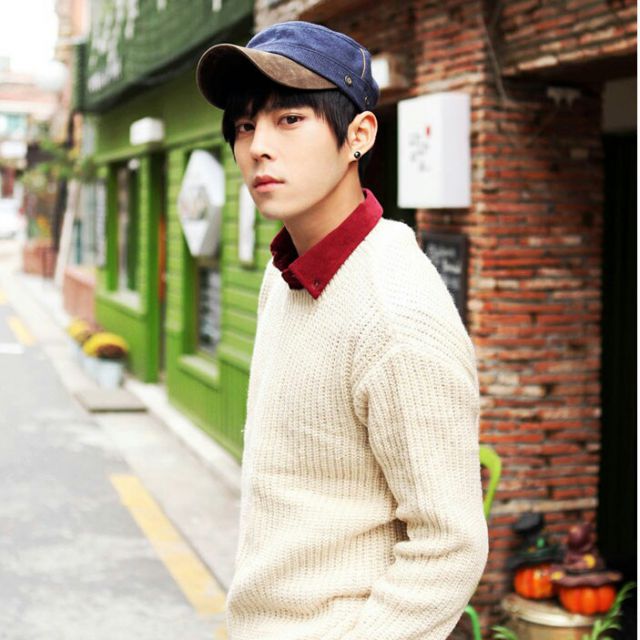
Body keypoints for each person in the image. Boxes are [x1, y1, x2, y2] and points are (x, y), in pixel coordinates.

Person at [196, 20, 489, 640]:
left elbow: (450, 546)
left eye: (289, 119)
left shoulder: (395, 313)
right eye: (244, 126)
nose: (258, 147)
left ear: (359, 134)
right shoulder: (285, 273)